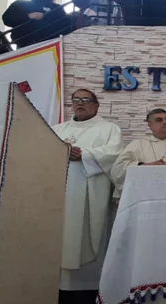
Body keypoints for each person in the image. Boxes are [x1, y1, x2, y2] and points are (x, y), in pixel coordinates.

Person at [52, 89, 123, 291]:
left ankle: (88, 288)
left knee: (89, 234)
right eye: (76, 100)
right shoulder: (57, 130)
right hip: (59, 194)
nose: (80, 103)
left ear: (96, 105)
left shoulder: (109, 129)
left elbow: (115, 154)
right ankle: (57, 289)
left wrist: (84, 155)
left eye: (86, 100)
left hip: (92, 192)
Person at [111, 109, 166, 197]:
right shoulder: (137, 144)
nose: (165, 122)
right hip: (143, 196)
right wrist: (144, 166)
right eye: (159, 120)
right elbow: (118, 169)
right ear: (150, 124)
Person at [2, 0, 68, 48]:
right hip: (23, 46)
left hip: (48, 46)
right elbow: (7, 19)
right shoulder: (19, 4)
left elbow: (65, 26)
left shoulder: (56, 8)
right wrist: (28, 16)